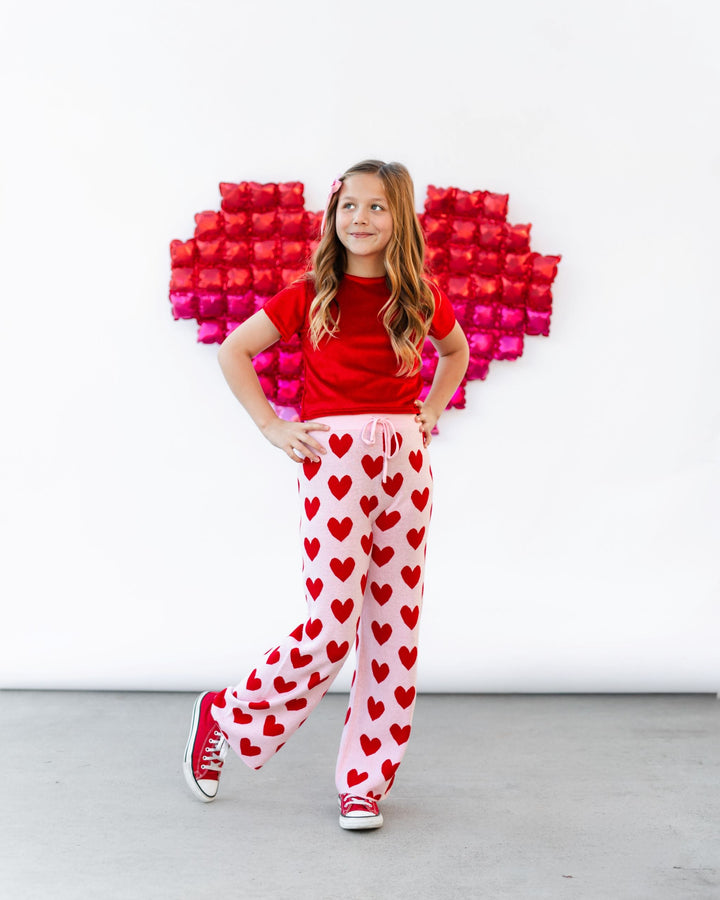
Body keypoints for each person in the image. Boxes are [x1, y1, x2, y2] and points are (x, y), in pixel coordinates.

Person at [183, 159, 469, 830]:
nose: (360, 218)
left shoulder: (419, 295)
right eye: (349, 206)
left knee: (394, 627)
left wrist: (431, 412)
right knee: (332, 625)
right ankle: (226, 713)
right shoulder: (312, 292)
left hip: (406, 464)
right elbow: (233, 351)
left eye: (377, 207)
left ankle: (365, 782)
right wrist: (271, 425)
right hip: (334, 462)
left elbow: (454, 353)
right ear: (332, 215)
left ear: (399, 218)